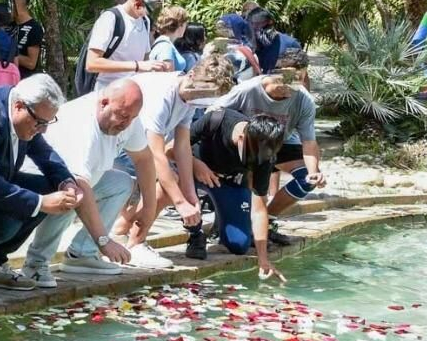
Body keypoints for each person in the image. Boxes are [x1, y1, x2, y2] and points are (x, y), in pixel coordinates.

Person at [23, 79, 156, 282]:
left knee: (121, 183)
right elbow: (79, 184)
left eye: (132, 118)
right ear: (103, 103)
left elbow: (144, 158)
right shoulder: (83, 124)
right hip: (40, 181)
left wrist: (149, 209)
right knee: (72, 196)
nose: (127, 124)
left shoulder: (127, 116)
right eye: (122, 116)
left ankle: (82, 254)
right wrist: (104, 240)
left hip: (83, 180)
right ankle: (36, 263)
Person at [109, 56, 237, 266]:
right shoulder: (164, 94)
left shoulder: (191, 97)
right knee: (166, 183)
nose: (204, 99)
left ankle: (122, 234)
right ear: (192, 75)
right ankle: (135, 241)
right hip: (118, 142)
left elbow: (182, 146)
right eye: (204, 93)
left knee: (176, 183)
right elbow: (156, 154)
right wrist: (180, 202)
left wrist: (190, 195)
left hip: (135, 144)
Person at [0, 75, 81, 290]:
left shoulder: (27, 114)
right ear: (19, 106)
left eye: (48, 123)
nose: (43, 129)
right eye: (41, 123)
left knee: (50, 188)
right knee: (11, 221)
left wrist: (66, 183)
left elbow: (45, 154)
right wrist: (40, 203)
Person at [214, 53, 325, 242]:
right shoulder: (248, 89)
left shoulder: (304, 100)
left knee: (307, 179)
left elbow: (308, 141)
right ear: (276, 73)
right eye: (291, 78)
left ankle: (269, 219)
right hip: (248, 145)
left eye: (300, 78)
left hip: (282, 144)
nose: (295, 84)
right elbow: (214, 115)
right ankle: (234, 223)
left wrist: (314, 172)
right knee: (252, 188)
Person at [185, 108, 289, 280]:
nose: (255, 160)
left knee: (239, 244)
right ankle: (194, 234)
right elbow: (170, 150)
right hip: (193, 172)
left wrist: (263, 260)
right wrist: (195, 164)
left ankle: (221, 225)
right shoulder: (217, 120)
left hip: (228, 183)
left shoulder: (265, 156)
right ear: (242, 137)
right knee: (174, 178)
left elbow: (259, 208)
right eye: (252, 155)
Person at [78, 0, 171, 91]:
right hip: (105, 92)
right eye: (145, 3)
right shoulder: (111, 18)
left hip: (131, 92)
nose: (148, 9)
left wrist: (157, 66)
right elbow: (92, 64)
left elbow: (145, 61)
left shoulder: (145, 21)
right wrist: (136, 66)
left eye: (153, 5)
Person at [6, 0, 45, 77]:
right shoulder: (8, 26)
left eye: (12, 4)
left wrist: (7, 54)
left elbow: (31, 63)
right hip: (5, 80)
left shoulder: (34, 28)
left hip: (23, 82)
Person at [148, 5, 197, 73]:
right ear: (180, 24)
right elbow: (167, 76)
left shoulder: (164, 43)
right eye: (186, 24)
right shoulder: (165, 46)